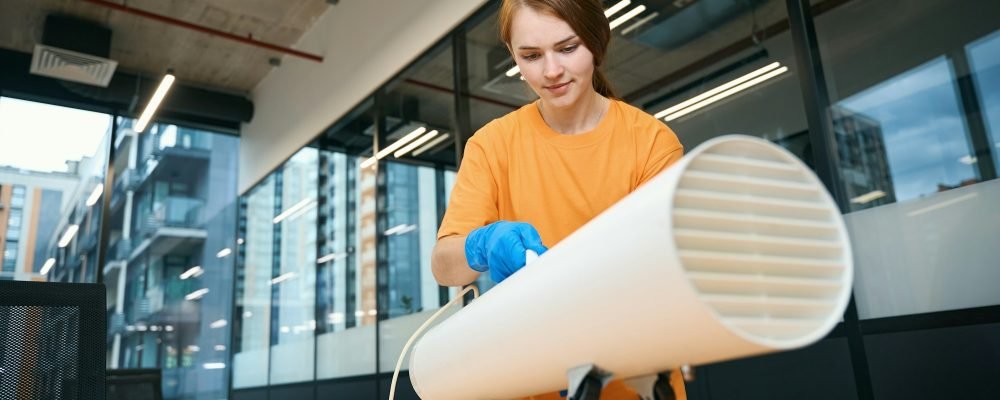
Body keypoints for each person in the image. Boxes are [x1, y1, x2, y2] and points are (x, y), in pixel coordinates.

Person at [432, 0, 686, 398]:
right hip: (534, 380)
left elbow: (664, 272)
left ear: (596, 44)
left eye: (568, 48)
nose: (550, 71)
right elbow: (445, 267)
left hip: (635, 381)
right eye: (530, 56)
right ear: (513, 56)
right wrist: (482, 244)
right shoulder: (493, 145)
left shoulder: (650, 143)